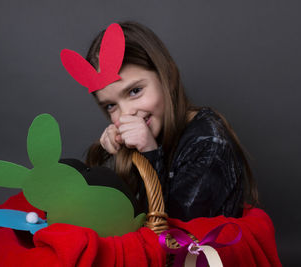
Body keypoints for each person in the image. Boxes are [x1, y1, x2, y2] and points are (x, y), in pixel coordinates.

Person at [64, 21, 258, 222]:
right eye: (111, 106)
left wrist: (150, 152)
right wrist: (111, 157)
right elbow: (117, 217)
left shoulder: (208, 142)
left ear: (168, 77)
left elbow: (173, 235)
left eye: (135, 91)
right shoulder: (139, 137)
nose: (126, 114)